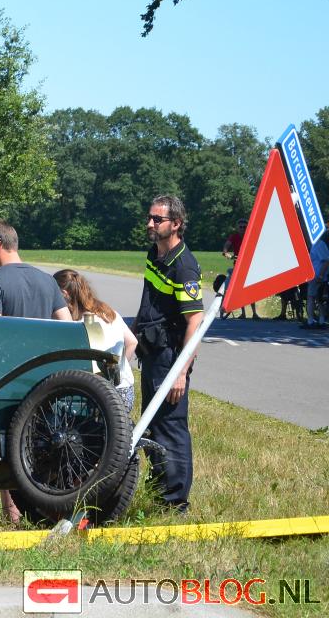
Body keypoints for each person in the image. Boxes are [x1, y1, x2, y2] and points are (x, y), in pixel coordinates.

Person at [0, 220, 71, 524]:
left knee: (12, 446)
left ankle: (14, 514)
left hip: (11, 378)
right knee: (46, 442)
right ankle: (50, 507)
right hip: (47, 378)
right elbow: (67, 327)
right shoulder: (47, 281)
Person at [134, 194, 204, 513]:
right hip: (150, 353)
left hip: (170, 357)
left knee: (171, 428)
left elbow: (195, 321)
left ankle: (176, 503)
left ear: (175, 224)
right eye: (149, 218)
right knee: (152, 425)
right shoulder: (155, 253)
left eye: (157, 220)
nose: (150, 224)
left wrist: (180, 371)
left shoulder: (184, 265)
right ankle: (159, 489)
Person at [53, 269, 137, 414]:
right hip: (125, 390)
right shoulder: (109, 312)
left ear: (64, 295)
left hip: (101, 394)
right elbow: (132, 341)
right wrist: (118, 369)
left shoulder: (79, 324)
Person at [222, 218, 258, 319]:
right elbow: (226, 247)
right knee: (240, 288)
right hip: (238, 265)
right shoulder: (234, 237)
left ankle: (254, 313)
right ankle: (243, 313)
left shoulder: (250, 236)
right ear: (237, 228)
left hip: (249, 265)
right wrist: (226, 253)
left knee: (251, 289)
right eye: (240, 227)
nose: (242, 228)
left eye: (244, 227)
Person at [302, 236, 329, 328]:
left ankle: (311, 321)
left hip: (317, 276)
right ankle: (321, 321)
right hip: (314, 276)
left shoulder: (319, 244)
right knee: (318, 299)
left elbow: (326, 261)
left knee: (311, 297)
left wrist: (321, 275)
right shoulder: (315, 244)